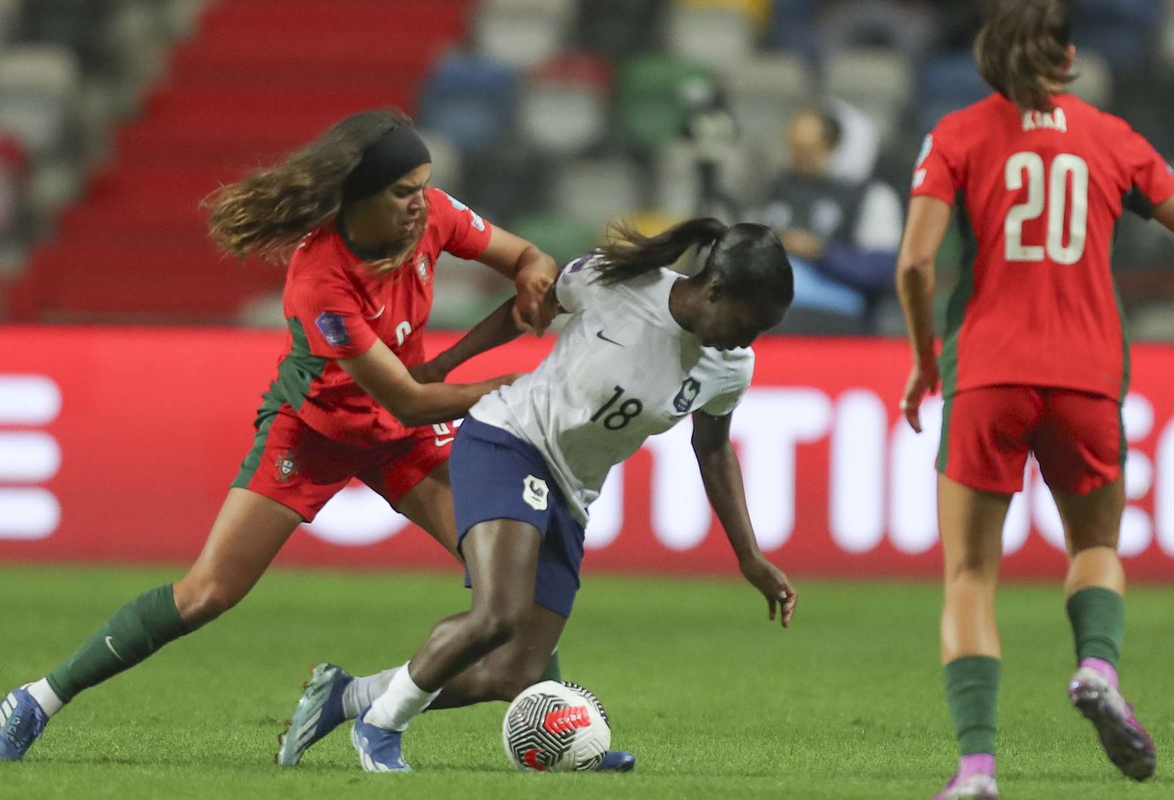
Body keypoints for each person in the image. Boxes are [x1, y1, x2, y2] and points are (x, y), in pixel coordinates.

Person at [0, 108, 565, 764]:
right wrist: (507, 389)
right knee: (207, 592)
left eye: (422, 187)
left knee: (518, 578)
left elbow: (524, 256)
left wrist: (537, 274)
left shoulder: (434, 214)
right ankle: (35, 700)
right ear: (359, 194)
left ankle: (545, 728)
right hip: (314, 432)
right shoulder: (319, 278)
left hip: (402, 433)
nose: (418, 204)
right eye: (403, 191)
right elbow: (404, 395)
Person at [291, 217, 800, 773]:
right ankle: (381, 729)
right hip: (510, 441)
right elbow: (528, 308)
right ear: (716, 289)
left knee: (513, 674)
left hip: (574, 492)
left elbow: (713, 448)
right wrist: (442, 367)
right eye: (750, 324)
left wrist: (749, 556)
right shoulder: (617, 283)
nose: (750, 341)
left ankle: (346, 697)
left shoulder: (730, 365)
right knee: (497, 616)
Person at [896, 3, 1174, 798]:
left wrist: (924, 359)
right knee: (1096, 549)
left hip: (988, 371)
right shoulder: (1114, 137)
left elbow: (916, 263)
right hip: (1088, 373)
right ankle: (1095, 667)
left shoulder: (956, 133)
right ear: (1069, 58)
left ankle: (979, 770)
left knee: (972, 574)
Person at [758, 107, 902, 330]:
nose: (799, 159)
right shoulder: (782, 187)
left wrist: (821, 252)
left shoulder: (873, 197)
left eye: (810, 150)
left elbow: (885, 270)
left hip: (837, 307)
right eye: (796, 149)